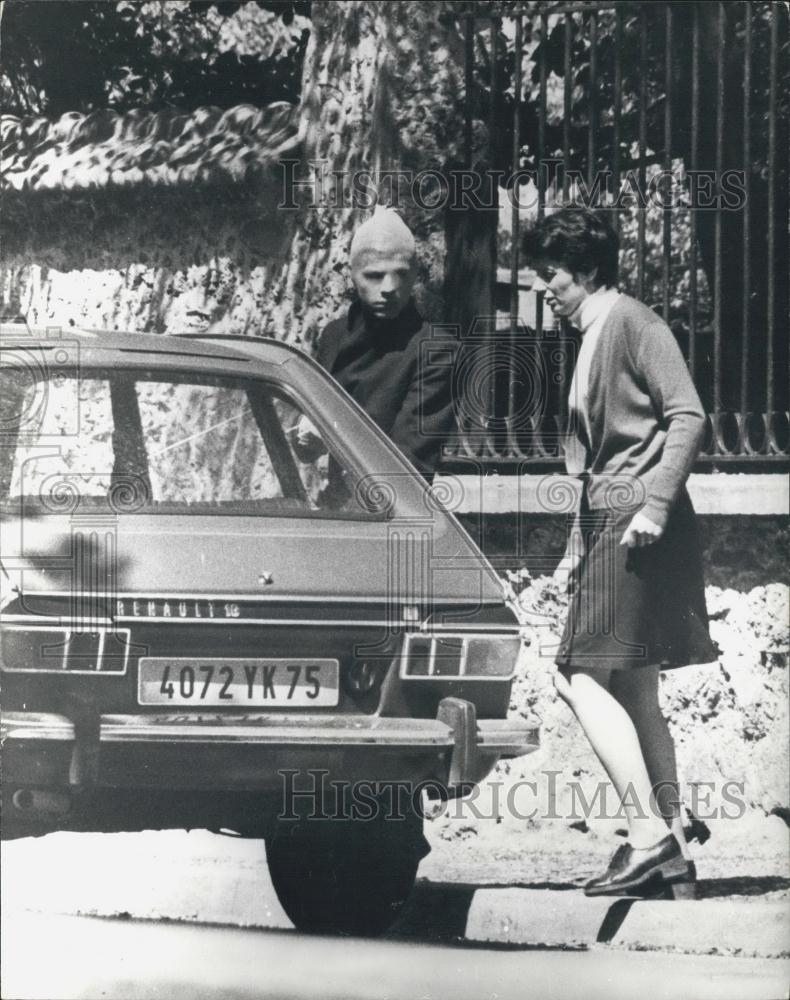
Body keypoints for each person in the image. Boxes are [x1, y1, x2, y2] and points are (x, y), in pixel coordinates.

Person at [523, 207, 718, 898]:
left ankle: (646, 835)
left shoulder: (634, 322)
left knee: (576, 675)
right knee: (634, 685)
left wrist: (657, 506)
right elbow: (595, 458)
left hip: (637, 520)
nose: (544, 288)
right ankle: (674, 849)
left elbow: (688, 414)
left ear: (588, 271)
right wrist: (579, 544)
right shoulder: (593, 332)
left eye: (551, 276)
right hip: (613, 521)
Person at [296, 207, 456, 480]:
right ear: (351, 273)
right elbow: (307, 446)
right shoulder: (334, 336)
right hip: (338, 507)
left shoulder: (437, 350)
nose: (389, 288)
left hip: (393, 508)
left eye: (401, 274)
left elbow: (409, 462)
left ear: (416, 273)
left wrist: (332, 429)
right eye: (374, 275)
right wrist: (306, 436)